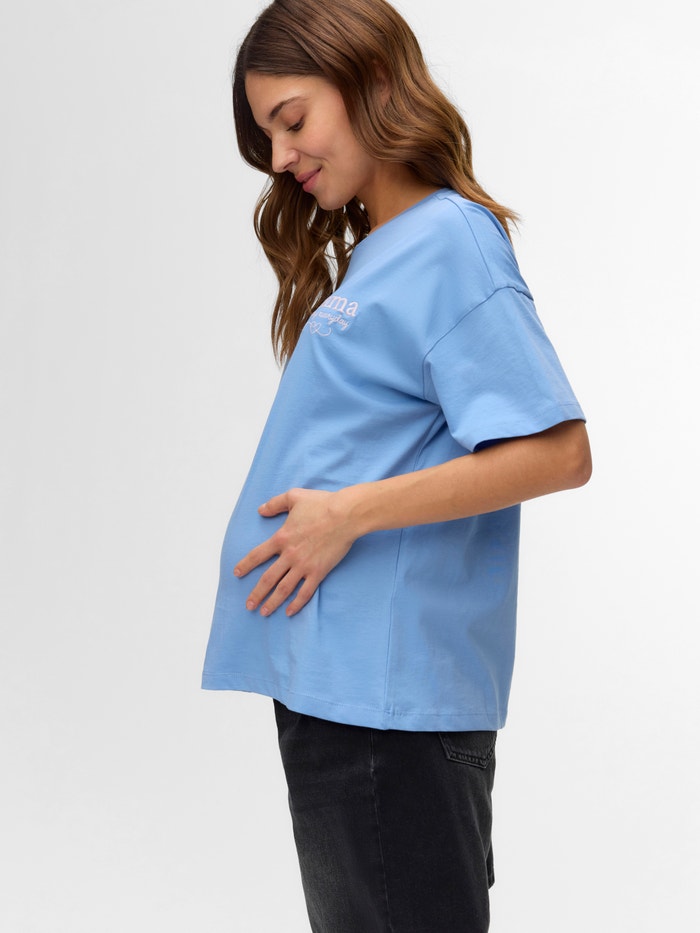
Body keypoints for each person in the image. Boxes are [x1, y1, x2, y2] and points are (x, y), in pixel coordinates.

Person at [202, 0, 592, 930]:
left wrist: (348, 514)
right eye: (267, 137)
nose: (281, 157)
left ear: (371, 80)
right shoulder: (381, 252)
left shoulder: (450, 239)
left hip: (388, 709)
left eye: (292, 120)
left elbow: (559, 450)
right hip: (340, 694)